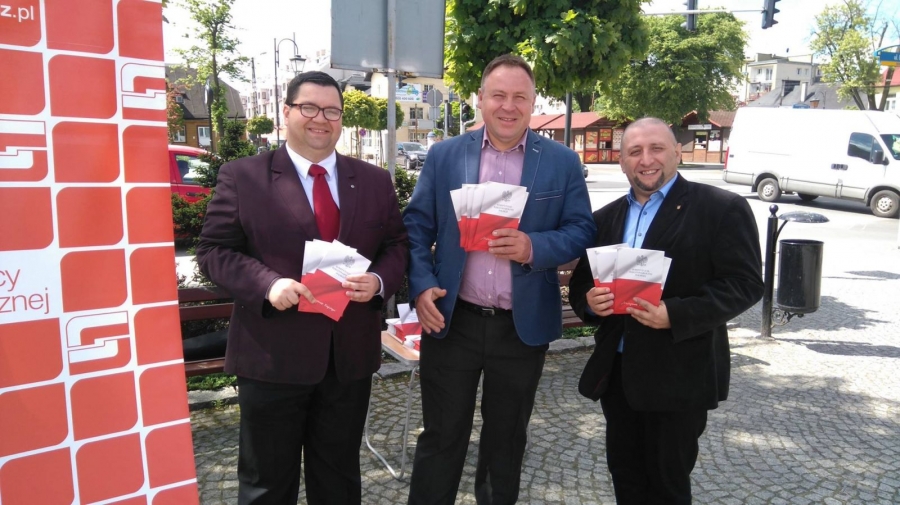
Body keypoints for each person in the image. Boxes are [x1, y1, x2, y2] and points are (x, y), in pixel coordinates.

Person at [195, 71, 408, 505]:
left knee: (339, 481)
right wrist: (267, 283)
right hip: (272, 358)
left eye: (332, 111)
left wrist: (379, 280)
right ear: (287, 111)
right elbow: (213, 251)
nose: (321, 119)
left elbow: (397, 245)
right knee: (267, 486)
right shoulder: (244, 176)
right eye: (309, 107)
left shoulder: (373, 180)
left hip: (347, 360)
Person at [402, 54, 596, 505]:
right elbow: (416, 226)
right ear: (481, 99)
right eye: (499, 95)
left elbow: (582, 230)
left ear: (533, 102)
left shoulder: (562, 161)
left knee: (506, 441)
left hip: (520, 326)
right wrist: (421, 284)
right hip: (453, 319)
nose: (508, 106)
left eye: (520, 97)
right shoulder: (446, 155)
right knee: (441, 437)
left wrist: (533, 247)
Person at [569, 117, 764, 504]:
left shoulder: (721, 208)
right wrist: (589, 302)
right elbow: (582, 284)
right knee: (625, 476)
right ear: (621, 162)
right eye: (634, 152)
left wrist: (675, 314)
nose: (646, 160)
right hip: (619, 374)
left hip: (679, 373)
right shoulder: (606, 217)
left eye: (656, 148)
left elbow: (745, 284)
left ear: (677, 152)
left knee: (667, 484)